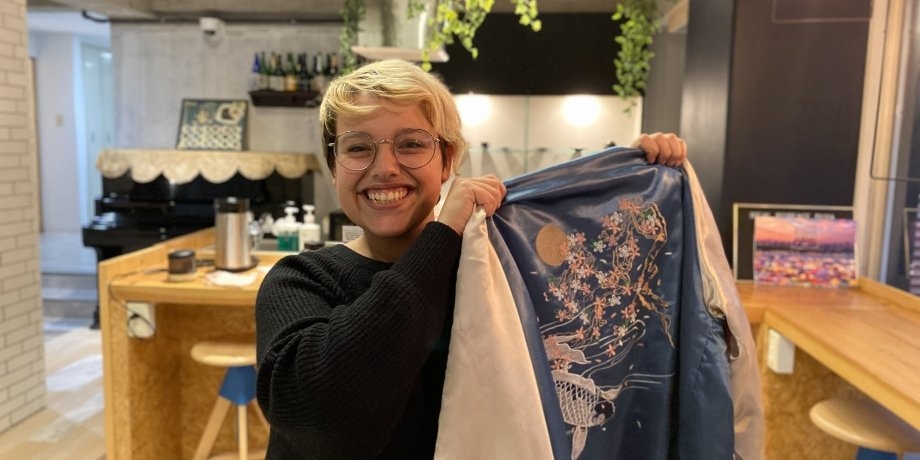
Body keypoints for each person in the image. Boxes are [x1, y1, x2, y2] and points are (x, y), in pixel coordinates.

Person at [254, 58, 687, 459]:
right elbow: (319, 417)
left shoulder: (495, 272)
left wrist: (635, 177)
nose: (384, 167)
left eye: (411, 144)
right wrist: (442, 234)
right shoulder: (299, 282)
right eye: (357, 148)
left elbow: (603, 302)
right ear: (334, 167)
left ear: (447, 162)